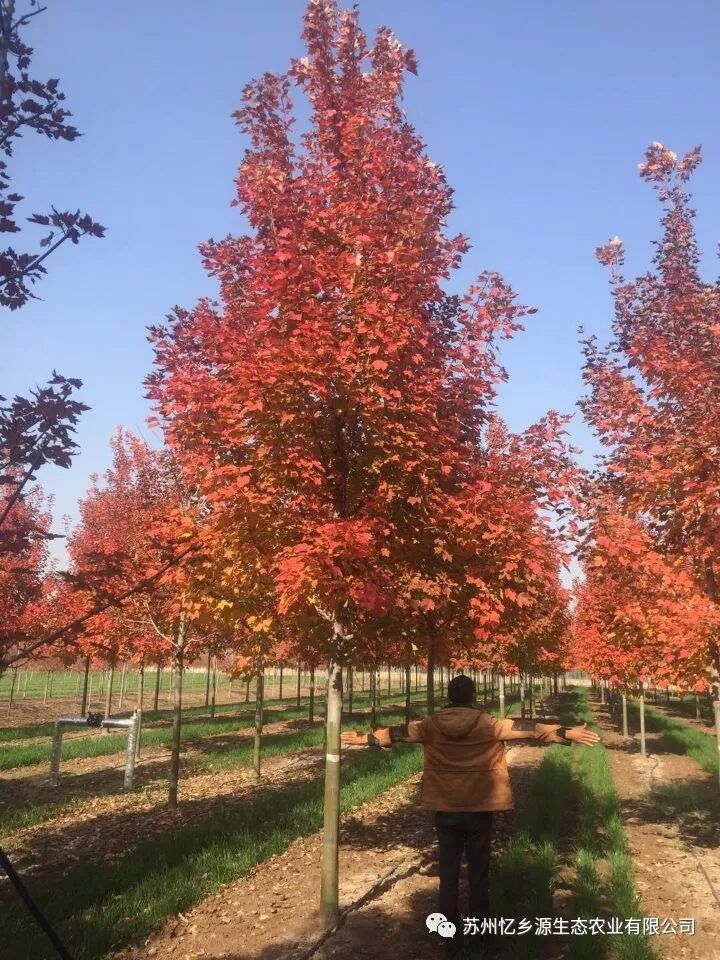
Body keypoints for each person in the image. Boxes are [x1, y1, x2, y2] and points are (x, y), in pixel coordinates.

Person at [341, 674, 600, 957]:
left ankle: (450, 938)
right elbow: (529, 728)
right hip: (479, 808)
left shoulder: (430, 725)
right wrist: (565, 732)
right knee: (478, 874)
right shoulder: (489, 724)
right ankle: (479, 936)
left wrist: (366, 739)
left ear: (448, 696)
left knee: (448, 874)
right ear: (473, 696)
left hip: (446, 808)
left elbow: (398, 733)